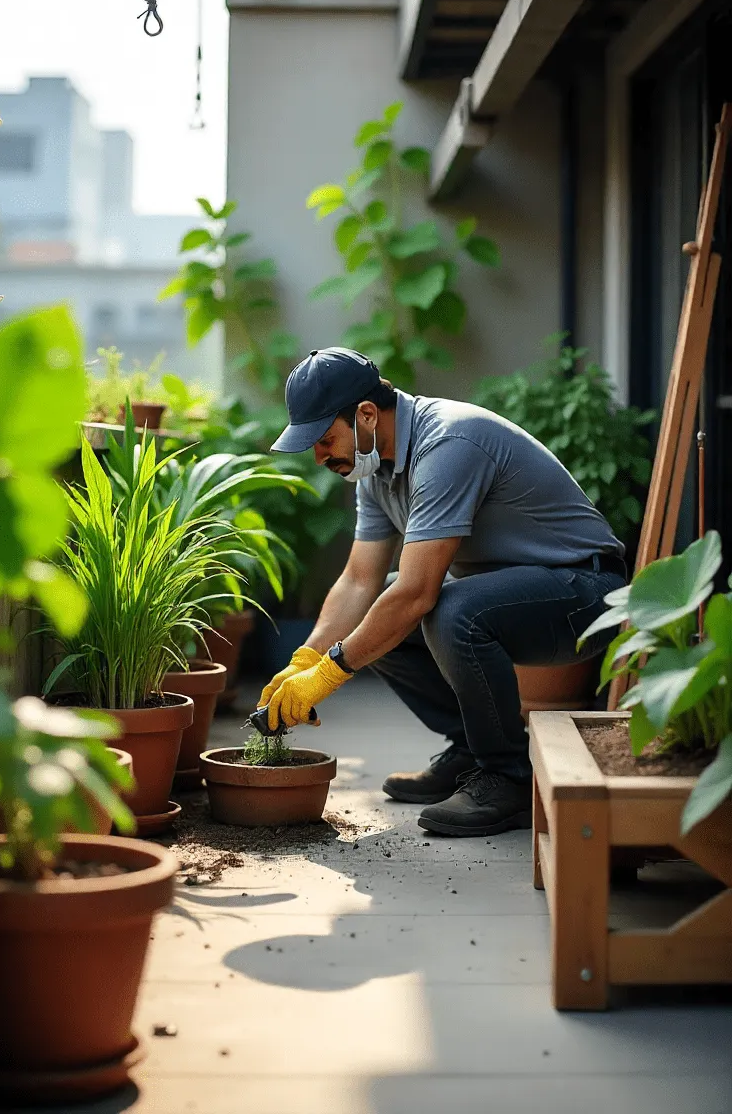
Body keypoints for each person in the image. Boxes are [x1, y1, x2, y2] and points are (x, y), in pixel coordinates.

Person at [259, 348, 626, 837]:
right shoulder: (375, 471)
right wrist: (305, 659)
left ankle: (507, 776)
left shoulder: (449, 442)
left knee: (450, 610)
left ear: (366, 415)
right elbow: (358, 581)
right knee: (380, 608)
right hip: (516, 596)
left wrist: (330, 673)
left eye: (326, 439)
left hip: (585, 593)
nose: (321, 455)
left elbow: (416, 593)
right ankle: (470, 750)